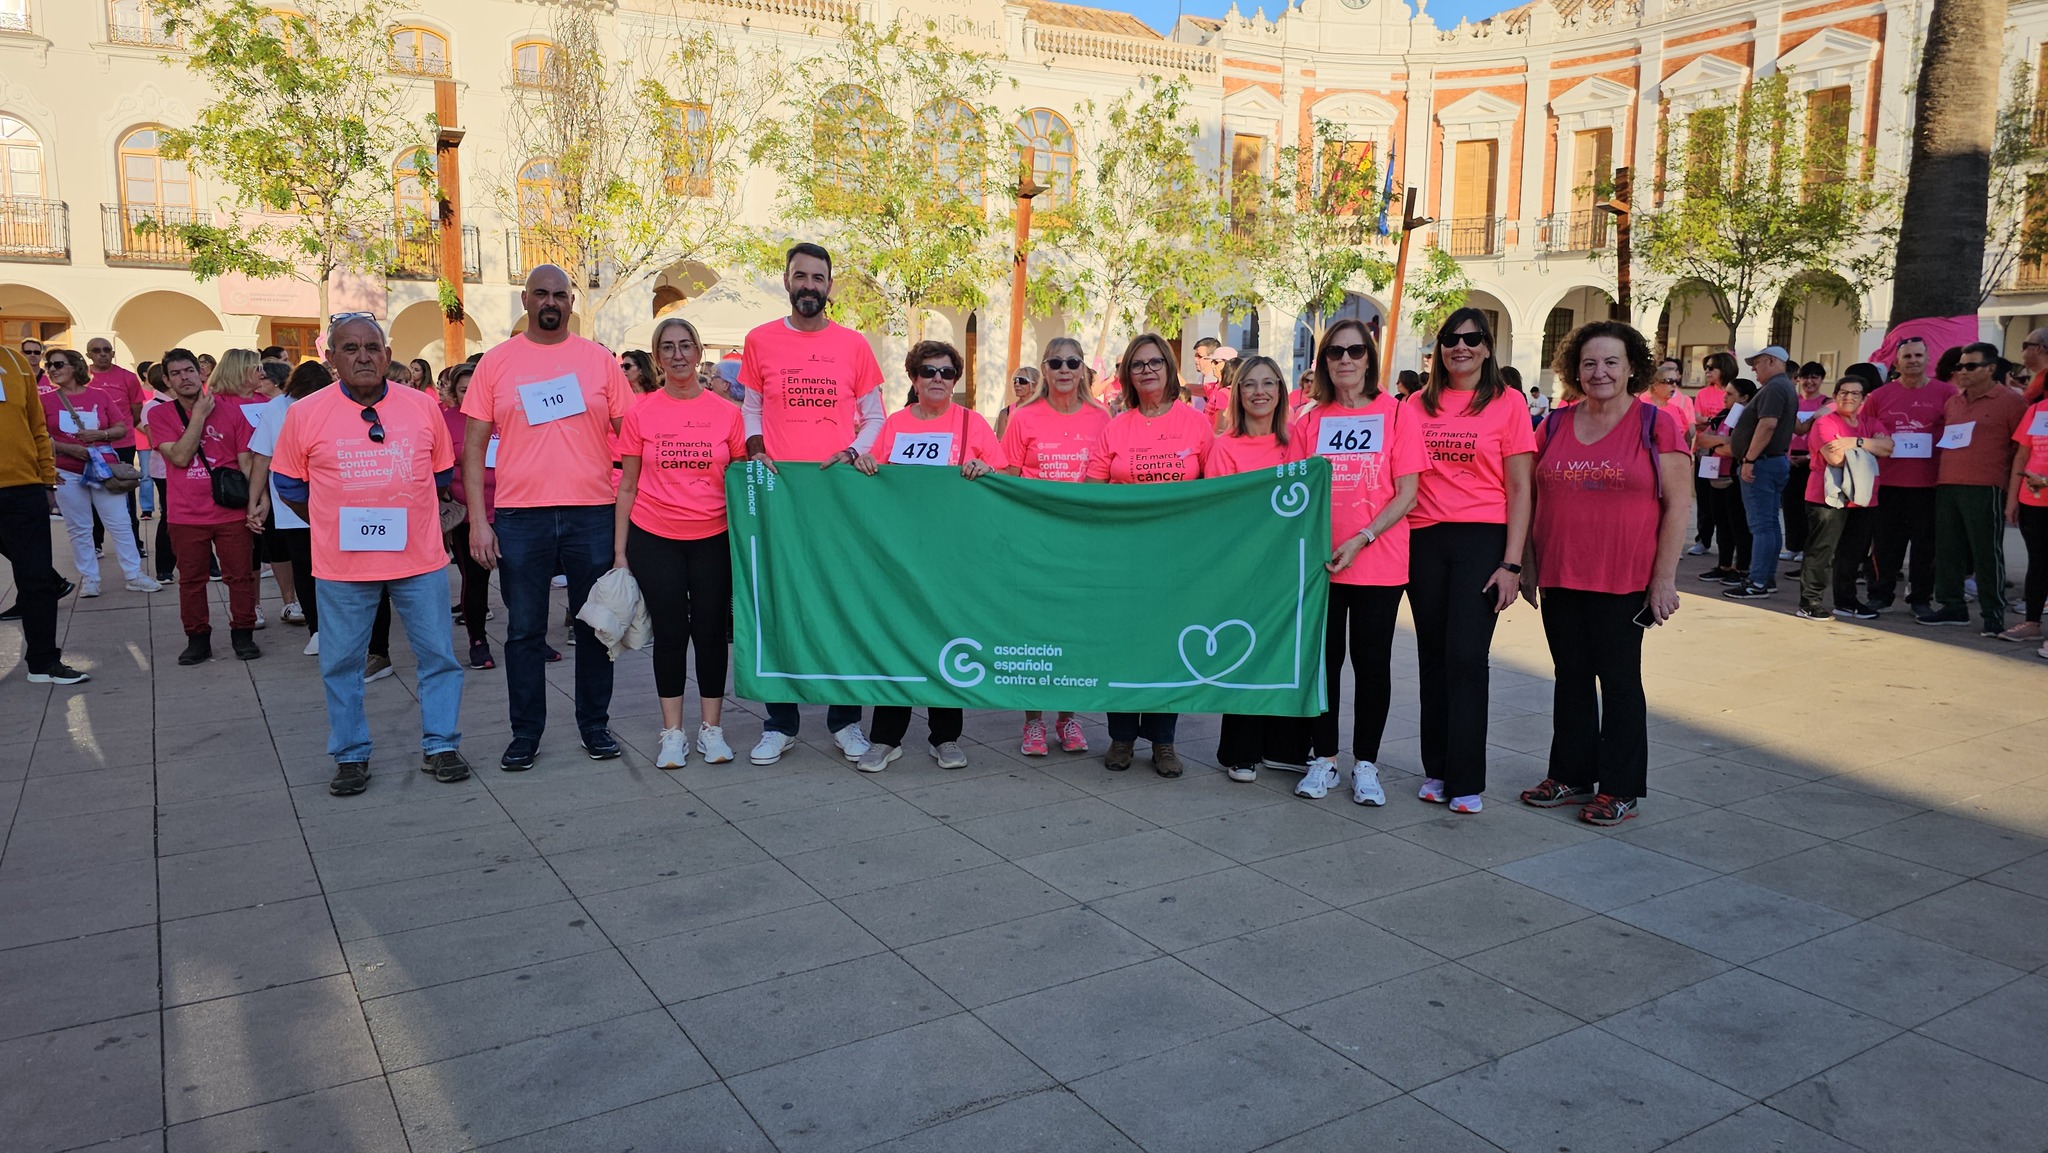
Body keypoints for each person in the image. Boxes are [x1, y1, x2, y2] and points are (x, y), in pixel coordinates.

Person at [270, 315, 466, 796]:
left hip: (418, 560)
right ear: (331, 359)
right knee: (341, 663)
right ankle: (351, 754)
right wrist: (333, 520)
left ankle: (441, 744)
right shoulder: (305, 413)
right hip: (343, 565)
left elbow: (440, 476)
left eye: (373, 347)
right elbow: (289, 483)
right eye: (351, 348)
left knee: (438, 656)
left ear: (387, 353)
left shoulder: (422, 407)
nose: (363, 356)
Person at [1516, 322, 1690, 826]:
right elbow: (1528, 497)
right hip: (1562, 574)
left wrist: (1663, 580)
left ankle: (1619, 787)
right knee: (1569, 678)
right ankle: (1570, 775)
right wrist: (1527, 562)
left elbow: (1678, 506)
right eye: (1590, 363)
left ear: (1632, 366)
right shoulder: (1552, 424)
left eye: (1611, 362)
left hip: (1625, 580)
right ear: (1576, 369)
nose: (1600, 372)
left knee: (1618, 682)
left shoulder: (1656, 425)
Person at [463, 268, 634, 771]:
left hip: (593, 514)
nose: (551, 302)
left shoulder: (599, 361)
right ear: (525, 299)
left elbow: (633, 435)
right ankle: (525, 733)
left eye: (560, 294)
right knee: (523, 632)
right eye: (541, 293)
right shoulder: (497, 363)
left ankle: (594, 725)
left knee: (596, 627)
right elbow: (473, 448)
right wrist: (479, 520)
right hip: (521, 517)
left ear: (571, 301)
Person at [739, 242, 886, 767]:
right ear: (786, 280)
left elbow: (875, 418)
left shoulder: (854, 345)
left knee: (841, 602)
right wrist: (755, 447)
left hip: (837, 497)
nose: (809, 285)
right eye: (800, 275)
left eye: (818, 278)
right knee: (781, 604)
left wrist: (852, 453)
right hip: (780, 497)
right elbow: (751, 408)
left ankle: (846, 721)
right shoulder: (759, 341)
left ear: (830, 286)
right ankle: (780, 723)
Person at [848, 339, 1006, 772]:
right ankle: (885, 739)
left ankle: (946, 737)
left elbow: (1005, 471)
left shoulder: (973, 424)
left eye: (946, 373)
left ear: (955, 381)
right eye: (929, 372)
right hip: (899, 553)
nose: (938, 379)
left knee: (947, 637)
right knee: (896, 640)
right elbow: (871, 470)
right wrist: (864, 465)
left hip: (953, 554)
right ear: (914, 379)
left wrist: (986, 469)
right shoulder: (895, 423)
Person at [1406, 308, 1535, 814]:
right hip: (1423, 538)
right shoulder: (1416, 404)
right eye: (1450, 339)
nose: (1461, 347)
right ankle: (1436, 770)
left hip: (1483, 538)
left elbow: (1522, 487)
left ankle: (1466, 778)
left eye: (1472, 338)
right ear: (1439, 348)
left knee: (1466, 657)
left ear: (1487, 346)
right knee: (1432, 659)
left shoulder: (1508, 404)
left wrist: (1512, 564)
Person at [1286, 321, 1421, 803]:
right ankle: (1323, 760)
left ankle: (1367, 764)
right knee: (1323, 665)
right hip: (1321, 566)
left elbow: (1408, 494)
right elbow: (1296, 492)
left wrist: (1362, 538)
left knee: (1371, 665)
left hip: (1378, 561)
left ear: (1369, 358)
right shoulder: (1308, 421)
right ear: (1323, 362)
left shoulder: (1399, 414)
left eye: (1355, 351)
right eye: (1335, 352)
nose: (1345, 359)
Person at [614, 316, 747, 770]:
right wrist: (620, 554)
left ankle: (712, 730)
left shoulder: (727, 413)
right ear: (657, 358)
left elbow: (741, 482)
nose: (678, 355)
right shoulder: (640, 412)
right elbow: (627, 486)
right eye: (668, 347)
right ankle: (672, 733)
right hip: (655, 538)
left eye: (686, 345)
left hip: (714, 537)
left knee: (711, 634)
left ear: (698, 352)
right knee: (670, 635)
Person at [1085, 333, 1213, 777]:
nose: (1147, 370)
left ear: (1169, 369)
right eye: (1138, 364)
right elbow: (1093, 488)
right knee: (1124, 644)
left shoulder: (1195, 423)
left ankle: (1163, 741)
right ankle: (1120, 736)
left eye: (1156, 362)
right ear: (1127, 374)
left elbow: (1216, 489)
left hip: (1177, 557)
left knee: (1167, 647)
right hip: (1124, 555)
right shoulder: (1115, 426)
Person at [1204, 354, 1312, 784]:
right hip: (1243, 567)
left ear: (1281, 392)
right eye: (1250, 384)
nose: (1259, 392)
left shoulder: (1298, 442)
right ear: (1237, 394)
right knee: (1245, 652)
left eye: (1269, 383)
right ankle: (1241, 750)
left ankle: (1285, 748)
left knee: (1287, 652)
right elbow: (1218, 510)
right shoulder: (1224, 446)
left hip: (1289, 565)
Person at [1002, 335, 1110, 757]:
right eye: (1055, 363)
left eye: (1072, 362)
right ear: (1043, 370)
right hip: (1034, 541)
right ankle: (1032, 724)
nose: (1064, 370)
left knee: (1074, 631)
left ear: (1083, 369)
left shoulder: (1103, 418)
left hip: (1082, 543)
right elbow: (1008, 476)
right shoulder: (1023, 417)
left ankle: (1068, 719)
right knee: (1033, 629)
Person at [149, 347, 260, 664]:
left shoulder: (232, 411)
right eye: (175, 373)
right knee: (192, 581)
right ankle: (197, 638)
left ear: (201, 373)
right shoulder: (159, 415)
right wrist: (197, 416)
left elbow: (246, 463)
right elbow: (181, 456)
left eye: (189, 370)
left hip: (230, 511)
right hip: (185, 514)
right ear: (168, 380)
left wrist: (256, 502)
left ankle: (243, 634)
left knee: (240, 577)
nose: (184, 377)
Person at [1920, 342, 2027, 633]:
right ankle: (1952, 606)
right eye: (1959, 366)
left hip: (1985, 486)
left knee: (1985, 553)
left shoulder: (2011, 402)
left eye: (1971, 366)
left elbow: (2023, 449)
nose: (1962, 371)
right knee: (1948, 549)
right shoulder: (1954, 401)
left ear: (1990, 369)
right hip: (1947, 483)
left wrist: (2013, 494)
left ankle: (1993, 613)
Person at [40, 350, 156, 598]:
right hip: (66, 472)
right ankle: (90, 579)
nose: (52, 369)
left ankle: (134, 575)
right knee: (79, 527)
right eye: (48, 365)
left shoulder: (99, 395)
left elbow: (120, 427)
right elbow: (39, 438)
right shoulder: (46, 401)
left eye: (58, 364)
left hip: (102, 469)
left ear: (75, 367)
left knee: (120, 523)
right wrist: (65, 448)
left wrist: (100, 435)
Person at [0, 345, 83, 683]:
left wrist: (47, 481)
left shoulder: (15, 362)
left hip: (24, 490)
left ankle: (43, 662)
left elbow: (37, 427)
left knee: (36, 580)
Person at [1864, 336, 1955, 613]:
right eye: (1907, 356)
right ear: (1897, 362)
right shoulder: (1879, 396)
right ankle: (1880, 594)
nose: (1913, 361)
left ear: (1928, 360)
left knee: (1925, 545)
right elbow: (1864, 432)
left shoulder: (1946, 394)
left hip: (1929, 484)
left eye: (1918, 355)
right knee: (1884, 544)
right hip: (1888, 482)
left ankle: (1920, 599)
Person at [246, 360, 330, 656]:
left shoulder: (334, 403)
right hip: (292, 505)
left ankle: (340, 627)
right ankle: (317, 630)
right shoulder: (276, 408)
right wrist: (254, 502)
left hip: (332, 503)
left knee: (335, 570)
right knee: (305, 570)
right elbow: (261, 458)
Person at [1795, 376, 1893, 621]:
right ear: (1835, 396)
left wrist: (1853, 442)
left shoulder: (1871, 422)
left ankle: (1846, 601)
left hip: (1863, 497)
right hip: (1828, 497)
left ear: (1863, 398)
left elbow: (1889, 447)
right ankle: (1810, 602)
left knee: (1853, 553)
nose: (1849, 397)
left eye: (1855, 393)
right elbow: (1834, 458)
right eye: (1843, 392)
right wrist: (1871, 448)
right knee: (1822, 551)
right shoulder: (1824, 423)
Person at [1722, 344, 1797, 600]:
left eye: (1757, 363)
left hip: (1762, 463)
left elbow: (1767, 425)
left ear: (1772, 362)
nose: (1753, 368)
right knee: (1770, 525)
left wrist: (1750, 459)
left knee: (1762, 526)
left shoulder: (1775, 387)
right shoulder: (1783, 386)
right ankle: (1765, 577)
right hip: (1772, 462)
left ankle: (1757, 582)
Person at [440, 362, 499, 669]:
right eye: (465, 390)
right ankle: (478, 641)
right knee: (475, 582)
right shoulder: (445, 421)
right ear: (454, 392)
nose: (472, 395)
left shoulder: (504, 417)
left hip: (510, 510)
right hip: (469, 515)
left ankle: (531, 638)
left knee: (521, 581)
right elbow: (438, 466)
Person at [84, 336, 147, 553]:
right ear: (88, 354)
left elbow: (136, 410)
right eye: (96, 350)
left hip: (123, 444)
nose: (102, 353)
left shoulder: (127, 377)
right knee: (93, 491)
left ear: (112, 353)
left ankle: (134, 543)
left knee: (125, 492)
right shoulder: (83, 378)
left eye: (106, 350)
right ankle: (96, 543)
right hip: (92, 446)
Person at [1695, 376, 1755, 586]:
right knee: (1721, 523)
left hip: (1735, 478)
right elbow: (1702, 439)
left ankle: (1742, 568)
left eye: (1730, 394)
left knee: (1738, 524)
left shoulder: (1748, 418)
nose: (1724, 398)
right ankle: (1724, 565)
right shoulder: (1722, 415)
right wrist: (1723, 441)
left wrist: (1720, 445)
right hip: (1715, 476)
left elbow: (1738, 449)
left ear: (1744, 398)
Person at [2006, 372, 2048, 643]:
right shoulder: (2036, 411)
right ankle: (2032, 622)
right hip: (2032, 500)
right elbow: (2022, 455)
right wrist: (2012, 499)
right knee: (2039, 562)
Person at [1783, 360, 1829, 562]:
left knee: (1808, 507)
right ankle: (1792, 546)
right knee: (1790, 504)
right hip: (1789, 458)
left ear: (1821, 380)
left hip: (1813, 460)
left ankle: (1806, 548)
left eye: (1814, 377)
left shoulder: (1826, 403)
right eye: (1805, 377)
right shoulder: (1792, 401)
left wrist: (1808, 457)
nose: (1809, 381)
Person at [1689, 352, 1735, 556]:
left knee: (1726, 499)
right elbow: (1697, 420)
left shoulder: (1735, 390)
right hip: (1706, 451)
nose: (1706, 371)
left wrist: (1710, 422)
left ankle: (1729, 543)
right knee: (1705, 495)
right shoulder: (1702, 394)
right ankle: (1703, 539)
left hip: (1728, 453)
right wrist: (1713, 422)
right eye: (1705, 367)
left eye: (1711, 368)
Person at [993, 365, 1038, 440]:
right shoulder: (1005, 413)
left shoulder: (1045, 412)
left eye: (1022, 381)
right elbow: (1000, 445)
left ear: (1035, 385)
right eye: (1015, 380)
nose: (1017, 384)